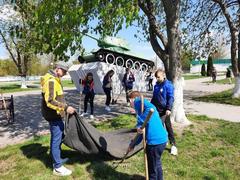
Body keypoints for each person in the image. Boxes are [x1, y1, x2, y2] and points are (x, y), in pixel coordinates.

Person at [41, 61, 75, 176]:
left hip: (56, 114)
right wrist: (65, 108)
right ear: (57, 69)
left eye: (66, 71)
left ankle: (57, 159)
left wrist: (66, 106)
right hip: (53, 115)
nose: (65, 73)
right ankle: (57, 167)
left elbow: (58, 97)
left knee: (58, 137)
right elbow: (50, 101)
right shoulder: (51, 80)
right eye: (64, 71)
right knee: (57, 139)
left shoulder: (56, 79)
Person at [128, 91, 168, 180]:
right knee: (157, 163)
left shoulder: (141, 106)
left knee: (152, 169)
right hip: (162, 140)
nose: (129, 104)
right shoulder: (146, 109)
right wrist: (133, 144)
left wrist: (132, 145)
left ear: (132, 99)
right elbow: (141, 131)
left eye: (129, 101)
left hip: (154, 143)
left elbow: (140, 130)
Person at [151, 69, 177, 156]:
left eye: (158, 77)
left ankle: (173, 145)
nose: (157, 79)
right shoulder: (156, 85)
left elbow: (171, 97)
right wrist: (151, 106)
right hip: (156, 110)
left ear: (163, 76)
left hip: (165, 111)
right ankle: (163, 140)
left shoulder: (168, 85)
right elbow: (154, 97)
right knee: (159, 126)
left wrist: (168, 108)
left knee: (168, 126)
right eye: (156, 77)